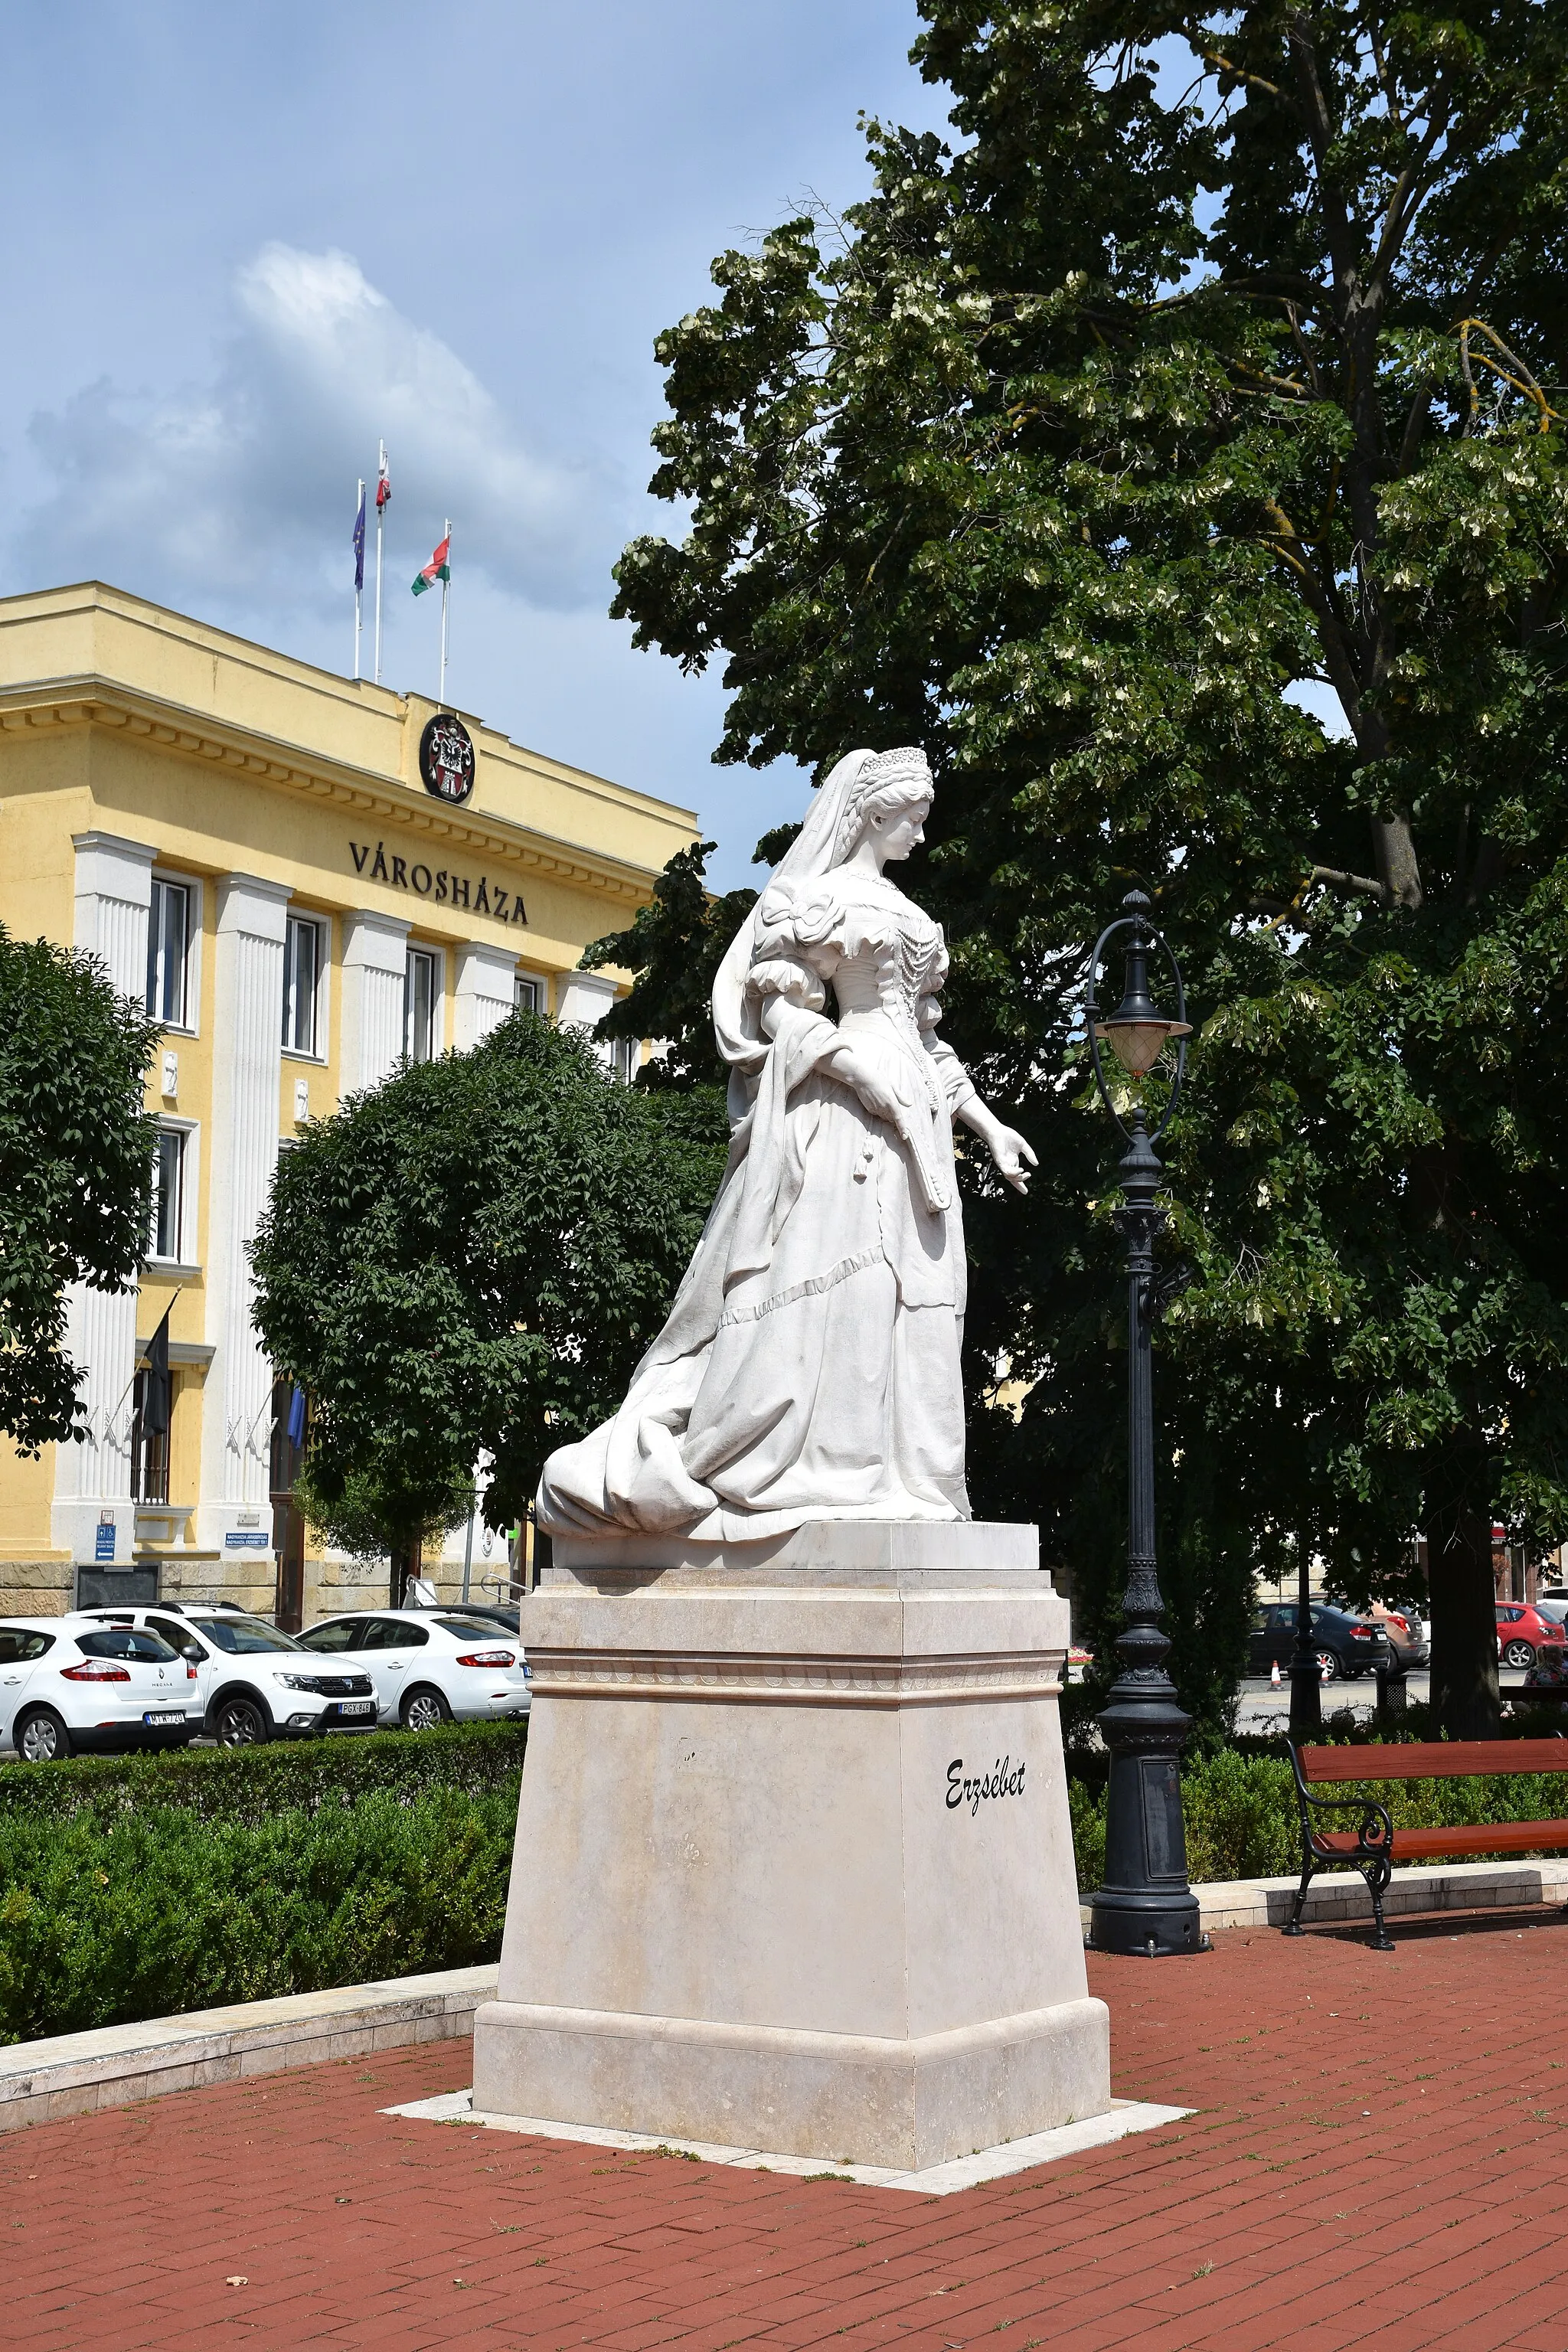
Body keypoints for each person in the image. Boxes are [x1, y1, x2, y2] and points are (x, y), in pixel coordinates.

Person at [537, 746, 1037, 1540]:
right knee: (855, 1288)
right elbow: (778, 1014)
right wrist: (854, 1071)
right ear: (874, 813)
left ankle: (907, 1477)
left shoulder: (909, 915)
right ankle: (832, 1466)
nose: (919, 833)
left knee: (927, 1300)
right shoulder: (815, 902)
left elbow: (930, 1044)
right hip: (844, 1114)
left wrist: (988, 1125)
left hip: (921, 1123)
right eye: (911, 817)